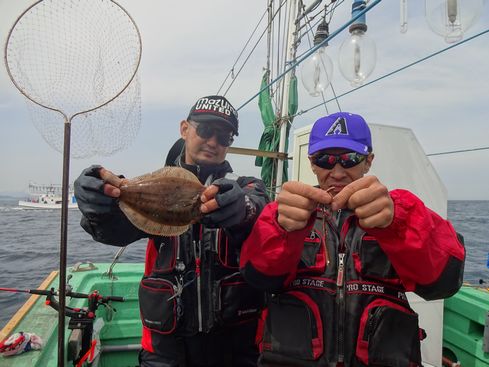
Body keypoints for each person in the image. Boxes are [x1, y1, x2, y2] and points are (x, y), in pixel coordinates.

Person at [240, 112, 465, 367]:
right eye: (325, 159)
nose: (337, 171)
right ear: (312, 163)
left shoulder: (397, 213)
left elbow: (445, 281)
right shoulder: (283, 214)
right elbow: (258, 277)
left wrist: (398, 222)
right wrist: (282, 229)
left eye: (349, 159)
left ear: (368, 161)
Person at [74, 95, 270, 367]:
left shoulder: (246, 186)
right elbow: (114, 230)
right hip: (166, 351)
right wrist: (99, 206)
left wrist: (242, 210)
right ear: (185, 129)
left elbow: (260, 208)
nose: (213, 142)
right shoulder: (157, 183)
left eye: (224, 137)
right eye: (205, 130)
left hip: (234, 348)